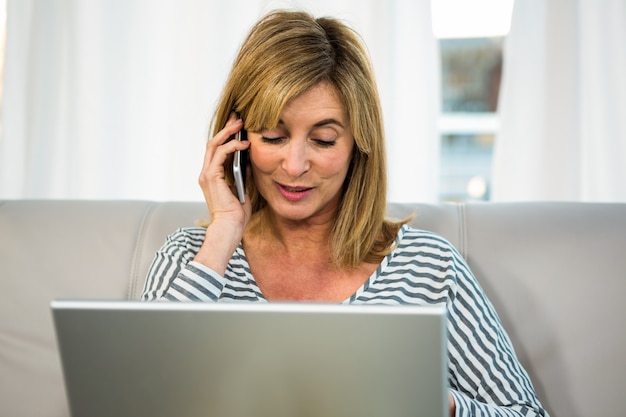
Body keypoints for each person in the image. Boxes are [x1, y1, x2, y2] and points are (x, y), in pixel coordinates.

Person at [142, 9, 549, 417]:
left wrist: (438, 405)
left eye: (323, 139)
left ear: (358, 144)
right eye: (274, 136)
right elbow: (139, 399)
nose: (295, 164)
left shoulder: (430, 267)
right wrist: (224, 232)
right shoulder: (190, 259)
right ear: (237, 137)